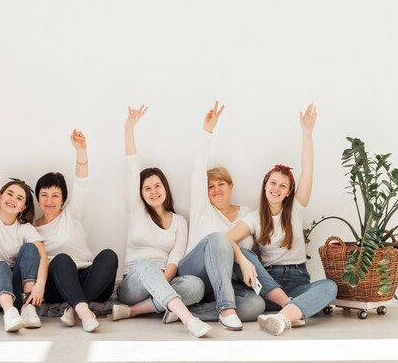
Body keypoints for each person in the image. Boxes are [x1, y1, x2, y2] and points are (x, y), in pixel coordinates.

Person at [227, 103, 338, 336]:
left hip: (299, 281)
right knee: (244, 253)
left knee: (329, 287)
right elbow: (226, 239)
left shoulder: (295, 209)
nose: (276, 188)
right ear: (265, 186)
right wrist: (244, 261)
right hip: (269, 283)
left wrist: (307, 133)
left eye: (283, 185)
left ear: (289, 192)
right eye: (273, 183)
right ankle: (292, 312)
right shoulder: (255, 218)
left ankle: (281, 317)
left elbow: (307, 172)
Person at [112, 105, 211, 338]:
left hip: (164, 278)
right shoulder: (136, 210)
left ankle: (134, 311)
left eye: (157, 186)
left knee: (196, 285)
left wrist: (161, 283)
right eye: (147, 188)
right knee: (145, 265)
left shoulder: (179, 222)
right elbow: (131, 167)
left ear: (165, 188)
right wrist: (129, 128)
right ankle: (188, 318)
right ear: (141, 193)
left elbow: (174, 260)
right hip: (133, 283)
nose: (153, 191)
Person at [176, 101, 266, 331]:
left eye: (221, 184)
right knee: (219, 238)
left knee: (256, 304)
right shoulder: (202, 208)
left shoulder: (247, 214)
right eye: (211, 186)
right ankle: (226, 310)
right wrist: (208, 131)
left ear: (231, 186)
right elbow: (198, 170)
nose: (216, 189)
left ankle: (190, 313)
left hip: (226, 281)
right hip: (194, 272)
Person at [34, 129, 118, 333]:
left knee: (109, 255)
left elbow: (81, 183)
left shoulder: (73, 213)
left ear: (63, 199)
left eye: (55, 195)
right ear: (38, 198)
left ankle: (74, 308)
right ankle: (85, 312)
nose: (49, 201)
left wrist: (81, 151)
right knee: (62, 259)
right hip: (58, 284)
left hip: (90, 279)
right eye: (44, 195)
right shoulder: (32, 228)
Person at [0, 110, 48, 332]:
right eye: (9, 194)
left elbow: (43, 257)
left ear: (24, 207)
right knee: (1, 267)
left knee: (31, 250)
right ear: (0, 197)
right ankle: (9, 314)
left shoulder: (25, 229)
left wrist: (40, 285)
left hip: (15, 289)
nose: (13, 199)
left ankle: (27, 307)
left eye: (19, 198)